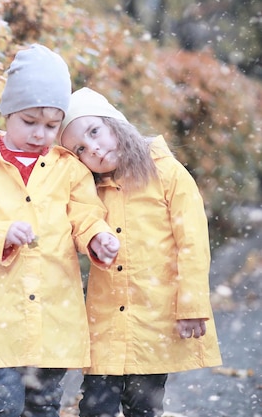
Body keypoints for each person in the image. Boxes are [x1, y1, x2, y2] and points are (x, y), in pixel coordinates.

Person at [0, 45, 120, 417]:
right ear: (8, 113)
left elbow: (85, 213)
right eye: (29, 121)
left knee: (44, 402)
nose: (40, 134)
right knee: (1, 402)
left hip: (54, 306)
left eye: (52, 126)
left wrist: (96, 236)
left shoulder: (68, 167)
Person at [58, 87, 223, 417]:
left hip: (153, 316)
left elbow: (192, 242)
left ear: (114, 123)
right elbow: (78, 224)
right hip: (105, 321)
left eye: (94, 132)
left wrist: (191, 305)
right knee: (95, 405)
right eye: (80, 148)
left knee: (143, 406)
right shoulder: (88, 190)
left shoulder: (167, 173)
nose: (94, 148)